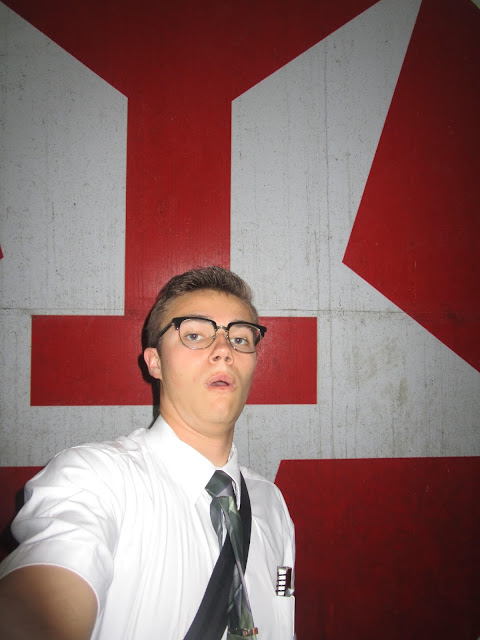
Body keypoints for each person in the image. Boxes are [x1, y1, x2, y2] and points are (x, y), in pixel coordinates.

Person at [0, 266, 295, 639]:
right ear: (155, 362)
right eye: (194, 335)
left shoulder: (271, 502)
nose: (223, 351)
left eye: (239, 338)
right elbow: (47, 586)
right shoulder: (93, 478)